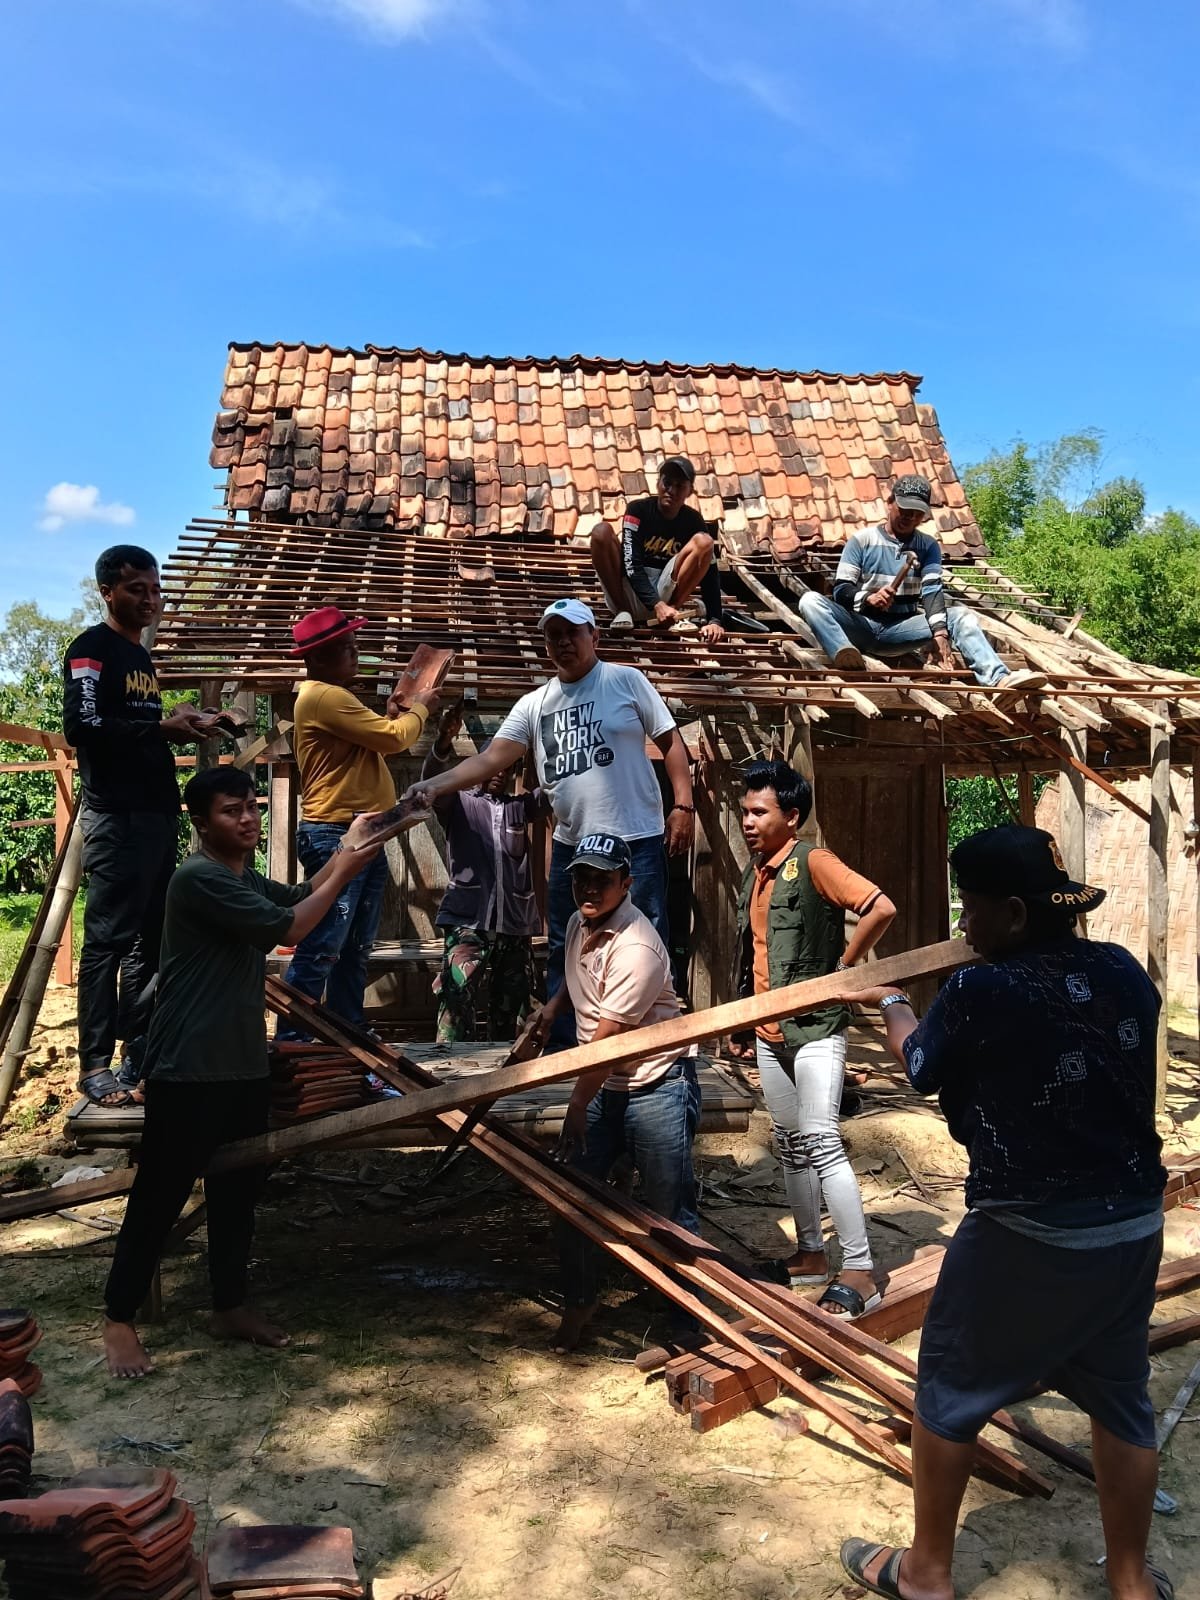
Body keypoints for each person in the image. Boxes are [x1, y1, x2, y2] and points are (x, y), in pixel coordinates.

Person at [838, 825, 1170, 1600]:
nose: (963, 926)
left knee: (949, 1387)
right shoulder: (1122, 970)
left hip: (1029, 1231)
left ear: (1015, 914)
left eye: (972, 909)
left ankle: (924, 1575)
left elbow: (920, 1065)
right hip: (1132, 1223)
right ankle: (1130, 1583)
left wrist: (890, 999)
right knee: (1123, 1397)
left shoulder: (984, 990)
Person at [101, 766, 384, 1379]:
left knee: (238, 1196)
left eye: (252, 807)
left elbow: (295, 894)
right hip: (188, 1068)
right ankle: (118, 1319)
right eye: (233, 811)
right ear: (201, 823)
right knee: (158, 1196)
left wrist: (347, 849)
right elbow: (292, 929)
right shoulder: (198, 879)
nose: (250, 818)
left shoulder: (239, 877)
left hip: (242, 1066)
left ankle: (228, 1305)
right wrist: (349, 864)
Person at [403, 598, 695, 1027]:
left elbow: (671, 743)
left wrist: (683, 805)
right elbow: (490, 760)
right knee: (564, 944)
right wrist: (434, 784)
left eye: (571, 633)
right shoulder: (535, 703)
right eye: (552, 635)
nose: (562, 642)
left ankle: (649, 1037)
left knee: (645, 937)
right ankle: (563, 1044)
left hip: (635, 838)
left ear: (593, 636)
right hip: (573, 847)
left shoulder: (625, 681)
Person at [509, 832, 701, 1352]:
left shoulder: (638, 947)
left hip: (655, 1084)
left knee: (668, 1210)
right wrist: (551, 1011)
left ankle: (685, 1321)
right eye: (581, 878)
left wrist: (576, 1104)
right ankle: (581, 1300)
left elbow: (607, 1044)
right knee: (568, 1194)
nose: (589, 889)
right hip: (603, 1082)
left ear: (626, 883)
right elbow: (577, 983)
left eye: (602, 879)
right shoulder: (577, 923)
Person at [735, 761, 896, 1314]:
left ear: (792, 816)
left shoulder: (815, 862)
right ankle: (810, 1255)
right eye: (745, 811)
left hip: (815, 1030)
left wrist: (846, 971)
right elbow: (755, 954)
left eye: (760, 812)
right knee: (790, 1143)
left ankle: (860, 1267)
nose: (748, 821)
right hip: (770, 1031)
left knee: (822, 1140)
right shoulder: (757, 872)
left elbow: (881, 906)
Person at [63, 544, 220, 1108]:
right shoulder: (92, 650)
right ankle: (96, 1065)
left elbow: (140, 723)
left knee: (151, 938)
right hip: (117, 816)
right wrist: (160, 733)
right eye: (137, 589)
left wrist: (193, 721)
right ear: (107, 591)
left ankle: (139, 1049)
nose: (151, 599)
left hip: (155, 814)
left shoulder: (140, 661)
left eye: (155, 589)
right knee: (106, 940)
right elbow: (82, 726)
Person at [276, 606, 439, 1043]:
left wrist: (391, 714)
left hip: (361, 833)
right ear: (321, 657)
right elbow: (394, 739)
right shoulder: (325, 697)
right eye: (347, 648)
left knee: (353, 947)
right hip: (337, 835)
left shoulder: (331, 698)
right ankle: (293, 1041)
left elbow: (376, 738)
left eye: (354, 645)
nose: (356, 653)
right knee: (325, 945)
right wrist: (419, 709)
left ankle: (348, 1032)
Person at [797, 475, 1046, 698]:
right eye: (905, 509)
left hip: (899, 630)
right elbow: (841, 590)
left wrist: (939, 634)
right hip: (860, 626)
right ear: (890, 502)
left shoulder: (927, 546)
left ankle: (997, 678)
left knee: (960, 616)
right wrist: (867, 598)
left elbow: (931, 591)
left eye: (917, 513)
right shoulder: (862, 541)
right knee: (810, 601)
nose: (909, 517)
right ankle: (844, 653)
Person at [421, 702, 542, 1045]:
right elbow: (431, 780)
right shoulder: (458, 803)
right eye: (493, 766)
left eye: (508, 767)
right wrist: (443, 740)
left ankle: (502, 1074)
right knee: (457, 996)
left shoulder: (519, 808)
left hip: (514, 925)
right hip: (469, 921)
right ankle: (447, 1067)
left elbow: (554, 794)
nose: (500, 773)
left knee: (512, 1002)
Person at [590, 456, 726, 642]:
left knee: (705, 542)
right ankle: (623, 612)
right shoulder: (638, 510)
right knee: (601, 532)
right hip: (626, 592)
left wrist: (715, 619)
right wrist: (656, 604)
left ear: (689, 491)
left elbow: (710, 569)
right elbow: (631, 564)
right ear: (658, 483)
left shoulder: (693, 521)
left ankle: (673, 612)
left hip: (666, 592)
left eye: (679, 486)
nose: (671, 491)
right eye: (667, 483)